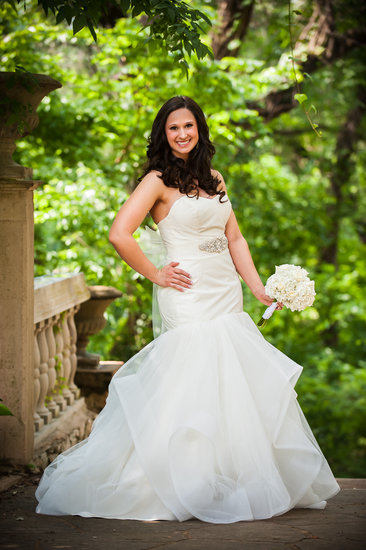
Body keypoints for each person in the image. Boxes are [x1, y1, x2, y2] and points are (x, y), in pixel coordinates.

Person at [36, 96, 340, 523]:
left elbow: (234, 238)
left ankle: (225, 477)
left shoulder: (213, 178)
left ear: (200, 130)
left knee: (228, 380)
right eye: (173, 127)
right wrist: (156, 275)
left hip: (225, 290)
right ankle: (180, 481)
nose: (182, 134)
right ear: (164, 133)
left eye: (189, 126)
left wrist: (256, 287)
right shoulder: (156, 181)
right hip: (188, 291)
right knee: (192, 375)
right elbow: (119, 233)